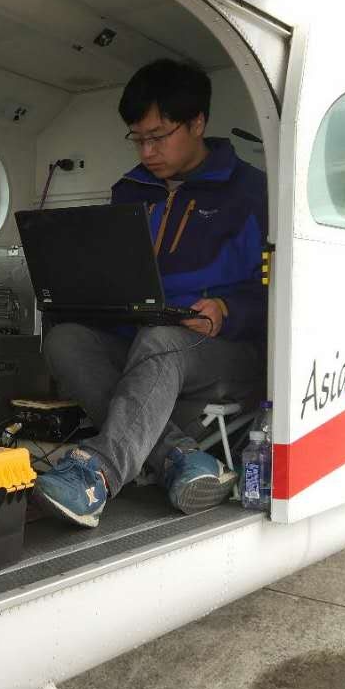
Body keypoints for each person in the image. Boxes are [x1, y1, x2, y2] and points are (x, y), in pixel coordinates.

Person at [32, 59, 267, 528]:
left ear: (197, 122)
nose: (147, 151)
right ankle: (180, 457)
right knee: (64, 340)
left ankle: (97, 474)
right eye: (137, 138)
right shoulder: (130, 190)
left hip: (225, 349)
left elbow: (286, 291)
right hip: (143, 339)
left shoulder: (251, 193)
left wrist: (227, 309)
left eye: (158, 136)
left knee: (160, 340)